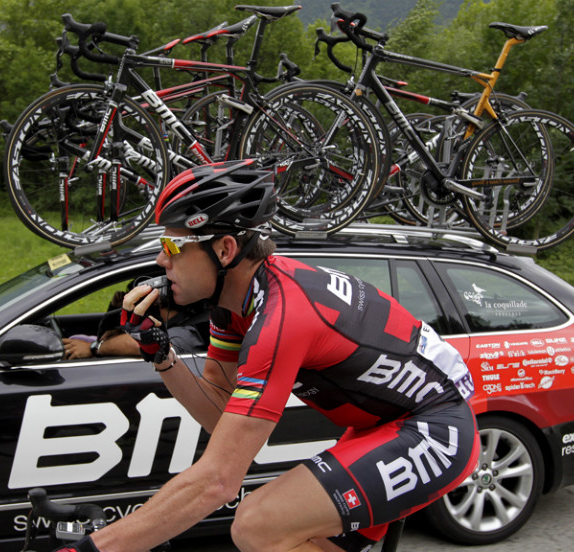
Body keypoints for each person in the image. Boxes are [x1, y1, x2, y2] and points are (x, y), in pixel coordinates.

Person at [55, 159, 479, 552]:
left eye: (174, 245)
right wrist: (161, 354)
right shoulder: (234, 305)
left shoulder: (282, 317)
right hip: (380, 426)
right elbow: (219, 414)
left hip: (432, 429)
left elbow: (219, 481)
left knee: (256, 524)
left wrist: (95, 548)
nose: (161, 259)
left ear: (224, 250)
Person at [62, 287, 207, 360]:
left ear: (156, 303)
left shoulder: (185, 333)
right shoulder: (174, 325)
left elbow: (141, 343)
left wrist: (93, 348)